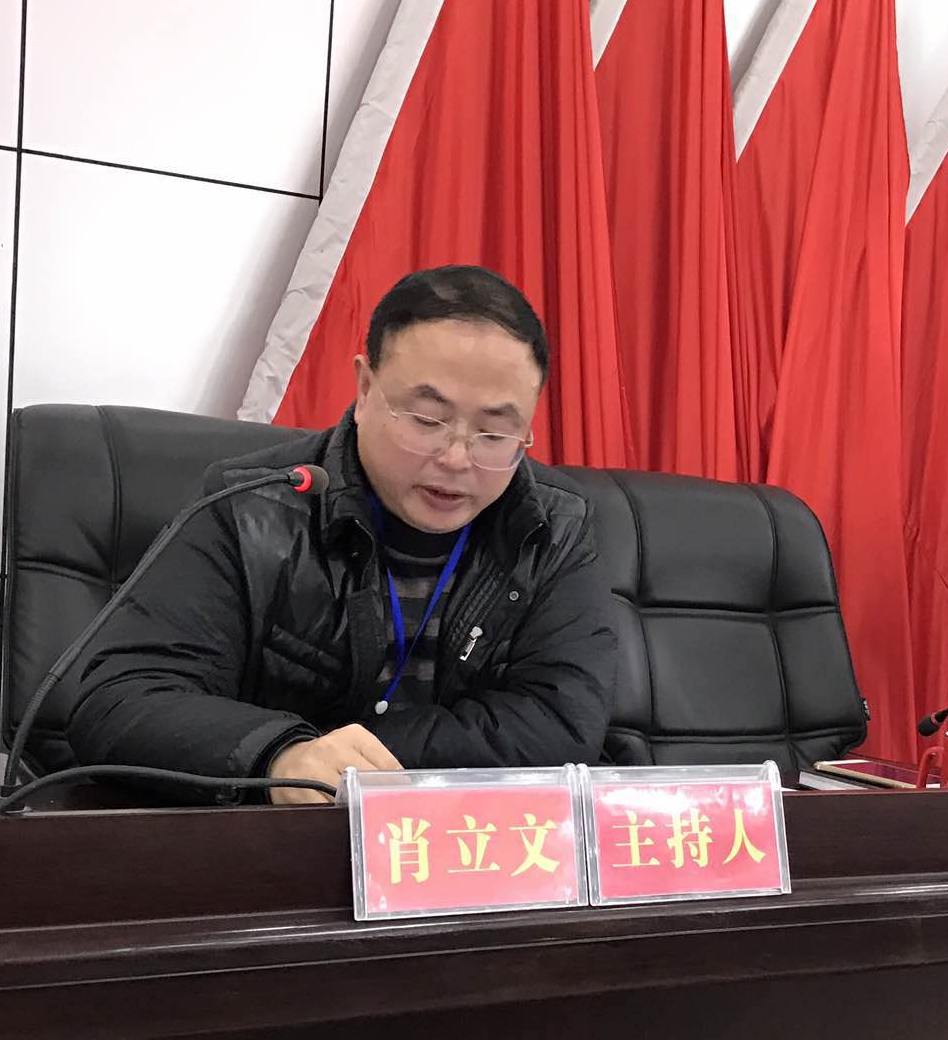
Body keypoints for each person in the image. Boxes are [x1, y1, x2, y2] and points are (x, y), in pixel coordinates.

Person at [68, 265, 616, 804]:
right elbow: (123, 699)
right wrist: (281, 755)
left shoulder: (554, 526)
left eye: (494, 433)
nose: (456, 458)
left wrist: (354, 760)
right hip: (281, 840)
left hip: (464, 846)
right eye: (427, 419)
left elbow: (562, 722)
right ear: (365, 388)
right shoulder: (251, 505)